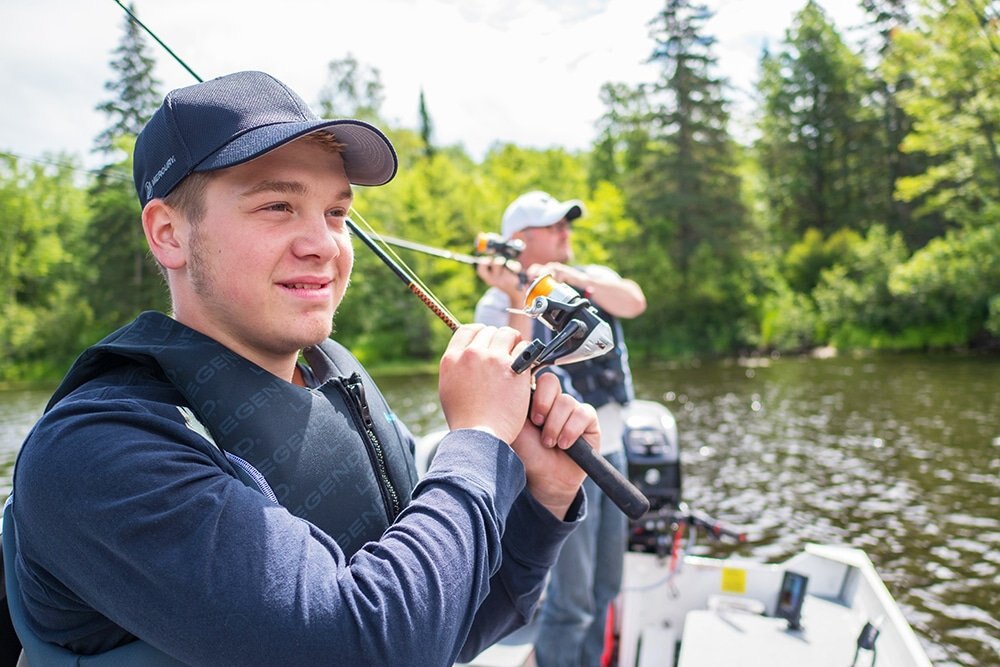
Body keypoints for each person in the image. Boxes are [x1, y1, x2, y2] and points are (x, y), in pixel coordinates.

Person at [4, 72, 602, 666]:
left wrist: (544, 496)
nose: (323, 244)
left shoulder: (336, 381)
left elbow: (451, 624)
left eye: (336, 212)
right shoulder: (98, 451)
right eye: (278, 206)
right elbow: (366, 649)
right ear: (169, 234)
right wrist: (477, 442)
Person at [475, 191, 646, 667]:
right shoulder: (496, 302)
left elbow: (634, 301)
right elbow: (510, 374)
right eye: (553, 227)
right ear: (519, 240)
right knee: (571, 600)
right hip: (566, 461)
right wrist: (519, 296)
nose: (565, 233)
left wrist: (573, 279)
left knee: (606, 587)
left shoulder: (591, 278)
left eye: (566, 225)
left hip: (613, 455)